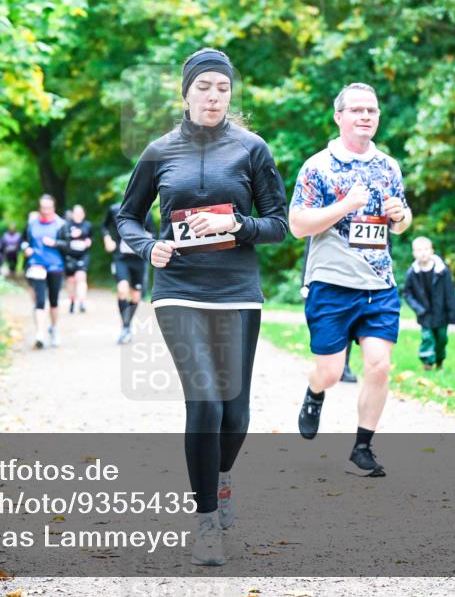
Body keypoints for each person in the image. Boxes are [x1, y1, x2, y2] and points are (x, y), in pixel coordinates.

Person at [117, 48, 287, 566]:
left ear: (231, 94)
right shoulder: (158, 151)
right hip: (178, 289)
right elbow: (127, 218)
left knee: (236, 415)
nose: (214, 96)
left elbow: (279, 225)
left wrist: (237, 226)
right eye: (204, 87)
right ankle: (206, 521)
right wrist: (150, 247)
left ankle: (221, 476)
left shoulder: (252, 150)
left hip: (237, 291)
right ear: (186, 92)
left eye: (223, 88)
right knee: (207, 402)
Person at [289, 82, 411, 477]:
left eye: (371, 111)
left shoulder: (389, 166)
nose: (365, 117)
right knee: (329, 370)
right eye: (356, 110)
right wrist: (345, 205)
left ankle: (362, 449)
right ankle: (315, 392)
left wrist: (399, 216)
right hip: (331, 284)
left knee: (379, 365)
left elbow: (403, 224)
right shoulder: (318, 166)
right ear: (339, 116)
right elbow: (297, 225)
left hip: (379, 285)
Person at [300, 237, 356, 383]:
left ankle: (344, 365)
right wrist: (305, 284)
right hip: (324, 280)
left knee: (349, 326)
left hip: (353, 279)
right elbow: (310, 253)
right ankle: (324, 367)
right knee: (326, 328)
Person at [402, 236, 455, 370]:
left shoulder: (442, 271)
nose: (423, 252)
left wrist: (452, 314)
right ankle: (427, 362)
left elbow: (449, 292)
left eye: (426, 249)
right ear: (414, 253)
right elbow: (407, 294)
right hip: (424, 313)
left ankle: (440, 360)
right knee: (427, 338)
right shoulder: (412, 273)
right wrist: (418, 309)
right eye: (419, 250)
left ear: (432, 251)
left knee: (441, 339)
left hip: (441, 313)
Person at [103, 201, 155, 344]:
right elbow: (104, 226)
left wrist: (145, 242)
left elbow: (154, 233)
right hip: (121, 258)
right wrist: (107, 239)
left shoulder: (147, 213)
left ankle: (127, 325)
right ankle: (125, 327)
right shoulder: (114, 209)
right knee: (122, 290)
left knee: (136, 297)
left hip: (138, 260)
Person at [22, 197, 66, 348]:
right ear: (40, 208)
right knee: (40, 301)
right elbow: (24, 241)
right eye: (43, 208)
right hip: (36, 265)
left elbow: (68, 246)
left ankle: (53, 329)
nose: (46, 211)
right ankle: (40, 333)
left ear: (54, 208)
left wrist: (55, 243)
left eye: (49, 208)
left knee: (53, 301)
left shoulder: (61, 225)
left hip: (55, 266)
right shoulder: (32, 224)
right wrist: (26, 248)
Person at [58, 205, 93, 314]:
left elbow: (91, 237)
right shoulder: (66, 225)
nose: (78, 215)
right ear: (72, 214)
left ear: (84, 214)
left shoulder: (87, 225)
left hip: (83, 255)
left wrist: (89, 241)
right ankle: (72, 301)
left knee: (81, 277)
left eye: (80, 213)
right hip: (69, 256)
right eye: (76, 213)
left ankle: (82, 302)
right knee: (71, 280)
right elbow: (61, 239)